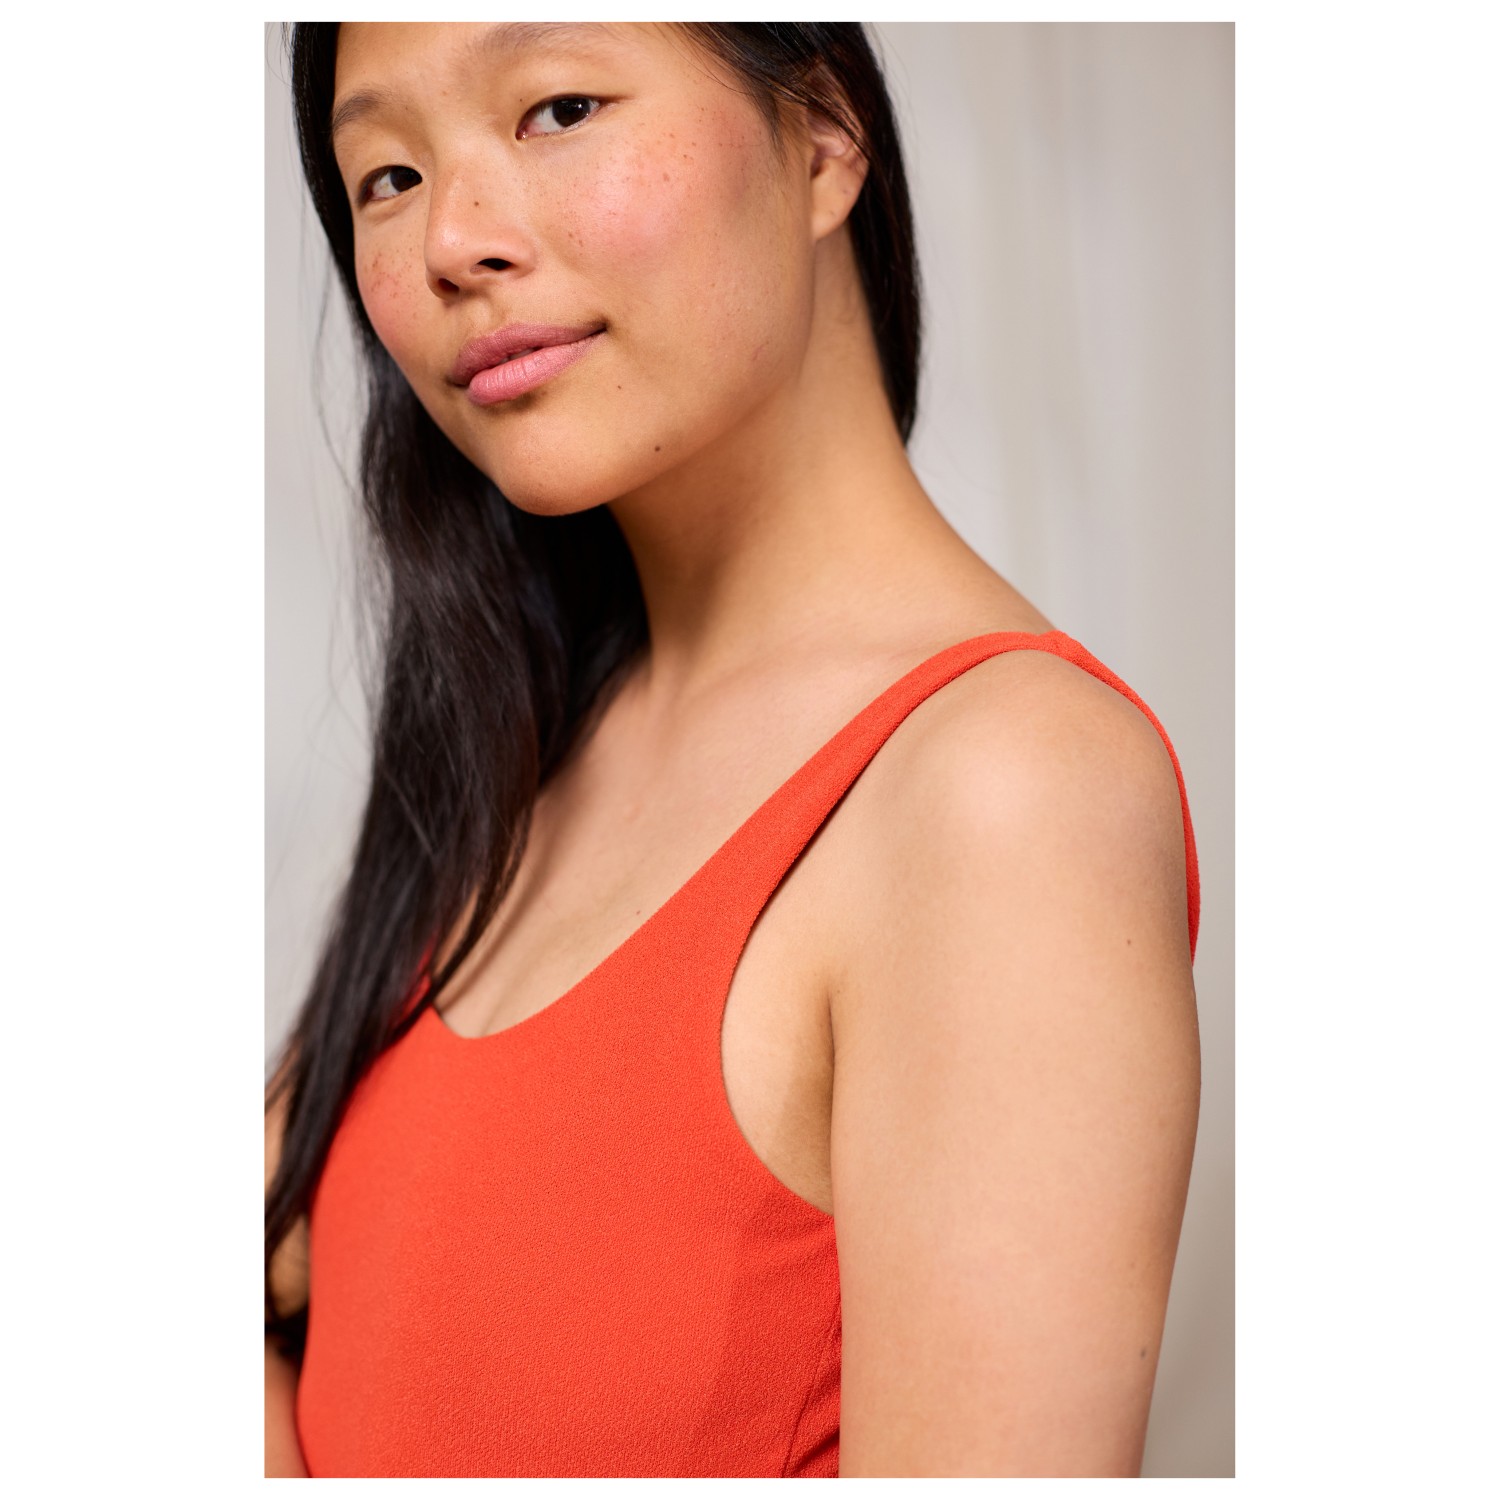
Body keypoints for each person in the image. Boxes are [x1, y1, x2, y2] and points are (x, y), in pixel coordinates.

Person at [265, 21, 1201, 1479]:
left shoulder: (1004, 797)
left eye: (558, 108)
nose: (451, 239)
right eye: (387, 175)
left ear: (823, 137)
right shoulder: (515, 772)